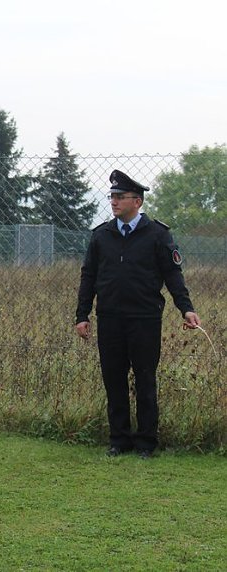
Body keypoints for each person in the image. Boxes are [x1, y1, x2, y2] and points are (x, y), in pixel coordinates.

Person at [75, 169, 201, 459]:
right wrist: (82, 315)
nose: (114, 202)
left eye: (120, 197)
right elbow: (88, 276)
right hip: (110, 319)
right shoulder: (101, 236)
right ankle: (119, 440)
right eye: (112, 197)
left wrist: (186, 309)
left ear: (137, 202)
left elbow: (173, 275)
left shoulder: (157, 234)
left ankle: (146, 442)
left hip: (144, 319)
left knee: (145, 379)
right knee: (113, 379)